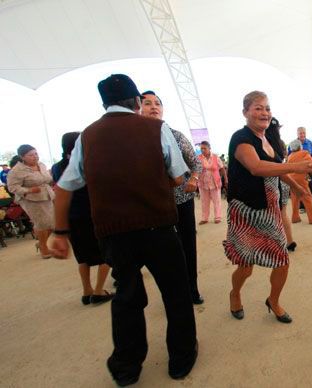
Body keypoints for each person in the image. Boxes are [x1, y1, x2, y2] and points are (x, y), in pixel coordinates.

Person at [50, 74, 197, 385]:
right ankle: (180, 359)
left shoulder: (87, 136)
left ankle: (127, 367)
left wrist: (61, 233)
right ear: (135, 102)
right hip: (158, 228)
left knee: (127, 297)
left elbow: (64, 188)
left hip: (114, 233)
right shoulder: (156, 128)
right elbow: (177, 177)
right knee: (176, 292)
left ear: (104, 103)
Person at [224, 91, 312, 324]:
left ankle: (273, 301)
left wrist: (297, 186)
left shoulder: (268, 139)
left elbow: (276, 167)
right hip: (246, 212)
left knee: (282, 260)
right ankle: (235, 294)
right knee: (246, 266)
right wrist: (301, 166)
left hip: (270, 210)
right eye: (258, 108)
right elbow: (257, 167)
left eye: (267, 108)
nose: (264, 112)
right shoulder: (241, 138)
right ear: (245, 112)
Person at [140, 90, 204, 305]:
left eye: (157, 103)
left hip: (181, 202)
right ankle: (174, 294)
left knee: (188, 246)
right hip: (153, 206)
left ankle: (192, 289)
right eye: (147, 103)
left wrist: (194, 179)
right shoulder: (135, 139)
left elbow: (196, 163)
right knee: (163, 252)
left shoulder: (175, 135)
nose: (153, 107)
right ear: (137, 108)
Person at [51, 132, 113, 305]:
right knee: (105, 254)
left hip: (71, 217)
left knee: (83, 256)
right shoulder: (86, 163)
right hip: (92, 215)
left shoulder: (56, 167)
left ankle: (87, 291)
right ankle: (99, 291)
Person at [7, 144, 55, 258]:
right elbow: (12, 187)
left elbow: (47, 179)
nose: (35, 156)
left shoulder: (42, 165)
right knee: (42, 223)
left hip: (46, 196)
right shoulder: (16, 170)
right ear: (22, 157)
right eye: (31, 155)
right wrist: (29, 190)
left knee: (52, 223)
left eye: (36, 153)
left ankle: (41, 243)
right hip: (30, 199)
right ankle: (44, 249)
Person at [266, 117, 297, 252]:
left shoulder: (263, 143)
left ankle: (274, 244)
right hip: (284, 180)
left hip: (271, 181)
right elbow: (284, 158)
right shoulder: (281, 143)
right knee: (283, 212)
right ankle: (289, 242)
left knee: (271, 215)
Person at [287, 139, 312, 225]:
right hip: (301, 178)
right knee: (307, 197)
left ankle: (295, 218)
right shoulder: (304, 153)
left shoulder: (290, 156)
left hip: (291, 179)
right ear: (300, 146)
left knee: (295, 198)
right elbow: (310, 164)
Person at [197, 140, 226, 224]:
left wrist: (226, 179)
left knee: (216, 201)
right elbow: (195, 169)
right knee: (204, 202)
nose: (202, 150)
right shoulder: (198, 158)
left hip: (215, 183)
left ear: (209, 148)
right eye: (201, 148)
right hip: (203, 183)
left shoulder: (216, 157)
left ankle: (217, 217)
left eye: (204, 148)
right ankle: (204, 218)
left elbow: (222, 168)